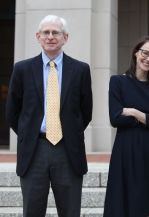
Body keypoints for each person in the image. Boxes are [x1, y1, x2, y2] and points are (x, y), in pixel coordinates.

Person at [5, 15, 92, 216]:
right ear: (38, 36)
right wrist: (28, 133)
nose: (50, 36)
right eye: (46, 32)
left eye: (56, 32)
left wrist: (69, 131)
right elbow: (12, 111)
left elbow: (85, 110)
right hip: (34, 150)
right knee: (32, 211)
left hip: (68, 150)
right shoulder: (22, 69)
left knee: (70, 211)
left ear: (65, 37)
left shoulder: (80, 70)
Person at [103, 36, 149, 217]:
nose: (148, 59)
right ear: (136, 53)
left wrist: (135, 112)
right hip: (127, 151)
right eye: (145, 53)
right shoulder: (118, 82)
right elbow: (116, 118)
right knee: (126, 205)